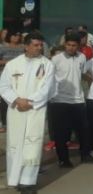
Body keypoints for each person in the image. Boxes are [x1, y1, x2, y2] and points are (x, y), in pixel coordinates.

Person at [0, 32, 55, 194]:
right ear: (27, 46)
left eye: (40, 45)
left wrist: (29, 102)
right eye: (35, 45)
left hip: (35, 110)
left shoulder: (47, 65)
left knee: (32, 143)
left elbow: (48, 88)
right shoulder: (13, 64)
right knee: (15, 144)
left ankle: (28, 182)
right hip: (16, 109)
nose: (39, 48)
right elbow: (3, 86)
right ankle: (15, 178)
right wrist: (17, 100)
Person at [50, 33, 93, 167]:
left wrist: (90, 80)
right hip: (59, 101)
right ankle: (63, 160)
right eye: (69, 45)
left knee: (83, 130)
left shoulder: (82, 57)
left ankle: (85, 155)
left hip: (78, 100)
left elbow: (81, 74)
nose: (71, 48)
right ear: (65, 45)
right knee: (61, 133)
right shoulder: (56, 59)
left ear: (78, 46)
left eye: (74, 45)